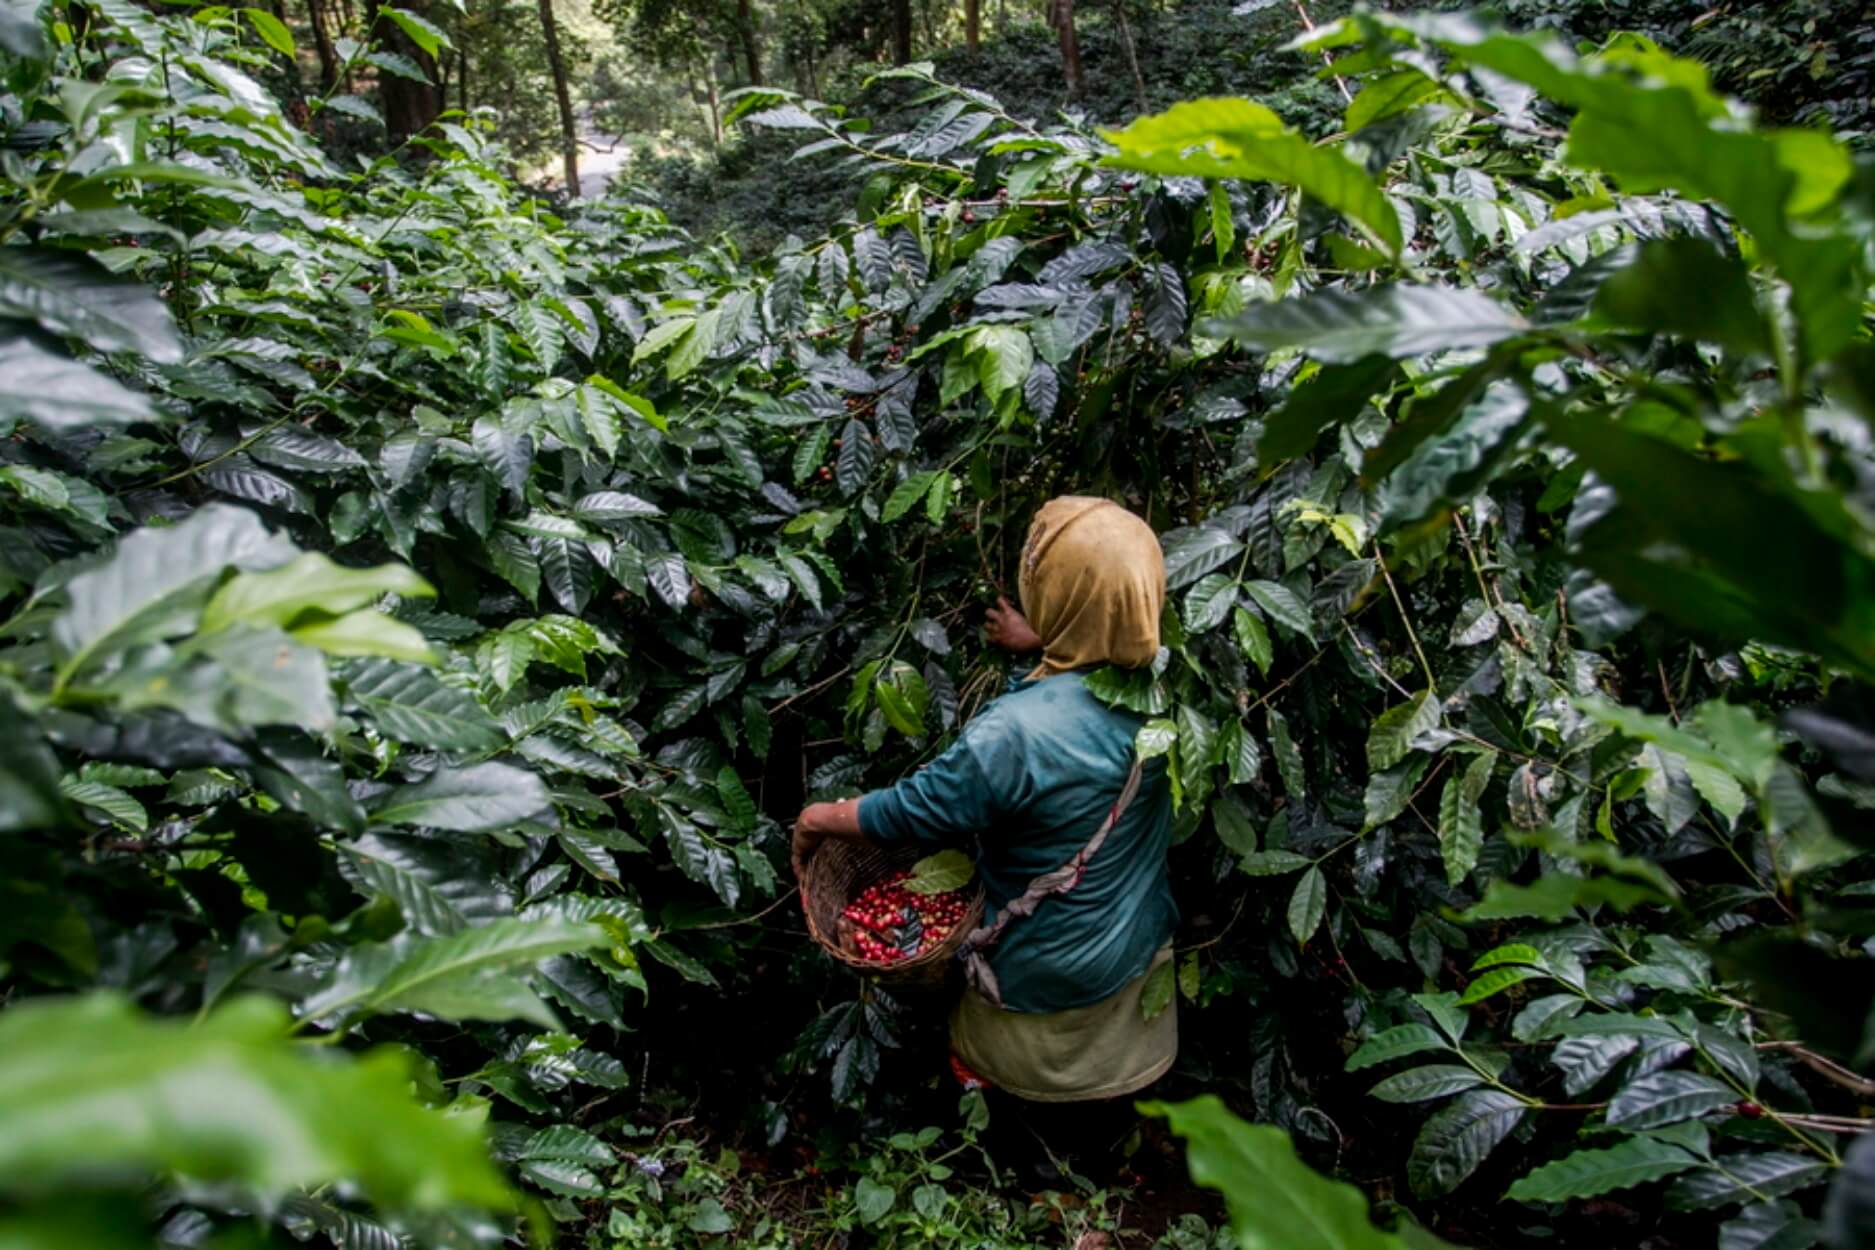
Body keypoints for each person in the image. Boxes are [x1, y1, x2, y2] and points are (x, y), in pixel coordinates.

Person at [792, 496, 1178, 1181]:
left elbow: (920, 808)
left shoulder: (1010, 733)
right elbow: (1074, 724)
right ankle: (1110, 1138)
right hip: (1134, 946)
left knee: (994, 1075)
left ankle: (1011, 1155)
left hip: (1040, 970)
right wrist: (1045, 647)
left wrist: (822, 816)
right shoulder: (1167, 683)